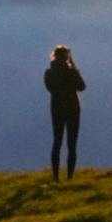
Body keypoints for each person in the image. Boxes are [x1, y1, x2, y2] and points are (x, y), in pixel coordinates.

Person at [43, 44, 86, 181]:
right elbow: (82, 87)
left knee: (57, 142)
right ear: (66, 57)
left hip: (56, 109)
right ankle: (69, 178)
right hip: (72, 109)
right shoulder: (71, 72)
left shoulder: (49, 73)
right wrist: (73, 67)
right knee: (71, 144)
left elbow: (49, 88)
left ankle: (55, 177)